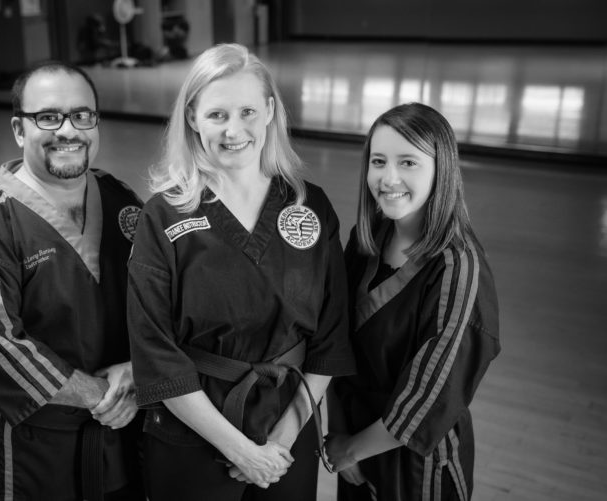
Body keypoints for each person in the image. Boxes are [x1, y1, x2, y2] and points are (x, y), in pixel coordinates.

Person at [126, 43, 355, 501]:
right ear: (192, 117)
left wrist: (279, 442)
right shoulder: (163, 216)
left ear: (270, 111)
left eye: (248, 111)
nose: (234, 131)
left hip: (288, 422)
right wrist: (242, 451)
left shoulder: (309, 207)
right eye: (217, 115)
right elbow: (155, 352)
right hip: (193, 430)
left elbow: (330, 336)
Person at [0, 61, 145, 501]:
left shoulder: (122, 200)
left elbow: (160, 301)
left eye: (82, 115)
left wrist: (138, 370)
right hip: (34, 448)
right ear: (19, 129)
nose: (68, 131)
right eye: (48, 117)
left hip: (124, 431)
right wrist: (102, 395)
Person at [325, 102, 500, 501]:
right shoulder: (369, 238)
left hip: (418, 462)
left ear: (442, 171)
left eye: (408, 163)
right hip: (352, 442)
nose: (389, 178)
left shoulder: (458, 268)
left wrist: (350, 450)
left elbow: (434, 395)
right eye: (378, 161)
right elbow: (334, 340)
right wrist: (340, 434)